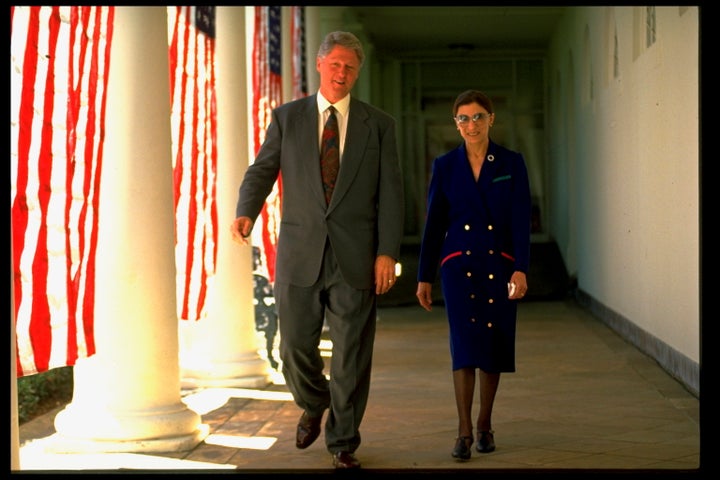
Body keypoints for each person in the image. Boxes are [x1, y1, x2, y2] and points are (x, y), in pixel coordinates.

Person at [231, 31, 404, 469]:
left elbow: (392, 194)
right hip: (300, 253)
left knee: (351, 355)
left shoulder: (378, 124)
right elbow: (262, 168)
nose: (342, 73)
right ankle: (315, 399)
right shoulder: (288, 118)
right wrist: (246, 211)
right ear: (321, 66)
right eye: (335, 65)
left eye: (350, 67)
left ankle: (343, 442)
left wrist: (387, 252)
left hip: (356, 257)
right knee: (293, 348)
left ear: (357, 73)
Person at [416, 89, 531, 461]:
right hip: (458, 266)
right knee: (463, 345)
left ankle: (485, 423)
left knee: (492, 344)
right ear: (456, 124)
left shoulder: (511, 162)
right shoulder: (445, 165)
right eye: (463, 118)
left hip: (499, 264)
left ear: (491, 119)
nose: (471, 125)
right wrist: (423, 276)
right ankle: (464, 431)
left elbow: (520, 221)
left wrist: (521, 269)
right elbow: (433, 224)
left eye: (478, 116)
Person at [252, 246, 279, 370]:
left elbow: (270, 293)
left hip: (262, 308)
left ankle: (270, 354)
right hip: (249, 310)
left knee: (271, 317)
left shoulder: (261, 279)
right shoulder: (239, 276)